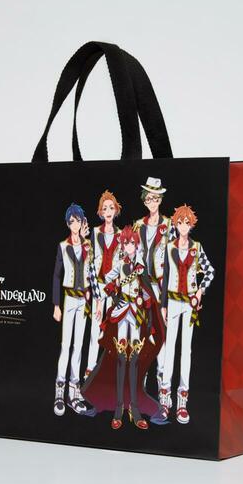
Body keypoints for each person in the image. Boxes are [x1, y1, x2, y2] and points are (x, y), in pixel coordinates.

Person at [82, 226, 167, 429]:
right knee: (121, 359)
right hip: (121, 312)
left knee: (134, 360)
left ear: (136, 245)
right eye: (126, 243)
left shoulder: (141, 266)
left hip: (136, 314)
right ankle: (119, 407)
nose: (128, 246)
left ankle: (134, 408)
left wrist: (146, 298)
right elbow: (105, 282)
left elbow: (148, 289)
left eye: (131, 243)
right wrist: (109, 289)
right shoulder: (120, 265)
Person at [160, 205, 215, 424]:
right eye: (180, 223)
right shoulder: (169, 247)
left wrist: (200, 291)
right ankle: (165, 398)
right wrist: (163, 304)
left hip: (189, 303)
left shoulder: (197, 248)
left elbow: (210, 271)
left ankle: (182, 400)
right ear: (175, 224)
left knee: (186, 350)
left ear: (191, 225)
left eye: (187, 223)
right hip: (173, 301)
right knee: (169, 349)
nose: (183, 226)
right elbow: (165, 276)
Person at [52, 203, 98, 416]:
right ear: (68, 223)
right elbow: (56, 275)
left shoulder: (88, 245)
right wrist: (56, 305)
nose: (74, 224)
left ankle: (74, 392)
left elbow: (93, 273)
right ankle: (59, 392)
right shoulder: (63, 246)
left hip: (84, 301)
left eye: (77, 220)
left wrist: (97, 301)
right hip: (69, 299)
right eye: (71, 221)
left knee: (78, 346)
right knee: (65, 345)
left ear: (82, 222)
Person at [132, 177, 176, 387]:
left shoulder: (170, 225)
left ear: (160, 200)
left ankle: (162, 380)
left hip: (161, 286)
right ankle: (140, 378)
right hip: (141, 285)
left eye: (156, 198)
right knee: (141, 331)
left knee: (161, 332)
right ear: (144, 200)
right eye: (149, 198)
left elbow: (175, 258)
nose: (152, 202)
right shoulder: (138, 225)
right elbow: (131, 254)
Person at [85, 190, 123, 379]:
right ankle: (90, 369)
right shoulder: (95, 232)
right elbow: (90, 265)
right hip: (98, 286)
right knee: (95, 328)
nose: (108, 211)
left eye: (111, 208)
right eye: (105, 208)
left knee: (112, 331)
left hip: (114, 289)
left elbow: (122, 265)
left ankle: (110, 372)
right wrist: (96, 294)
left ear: (116, 210)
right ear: (100, 212)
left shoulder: (121, 235)